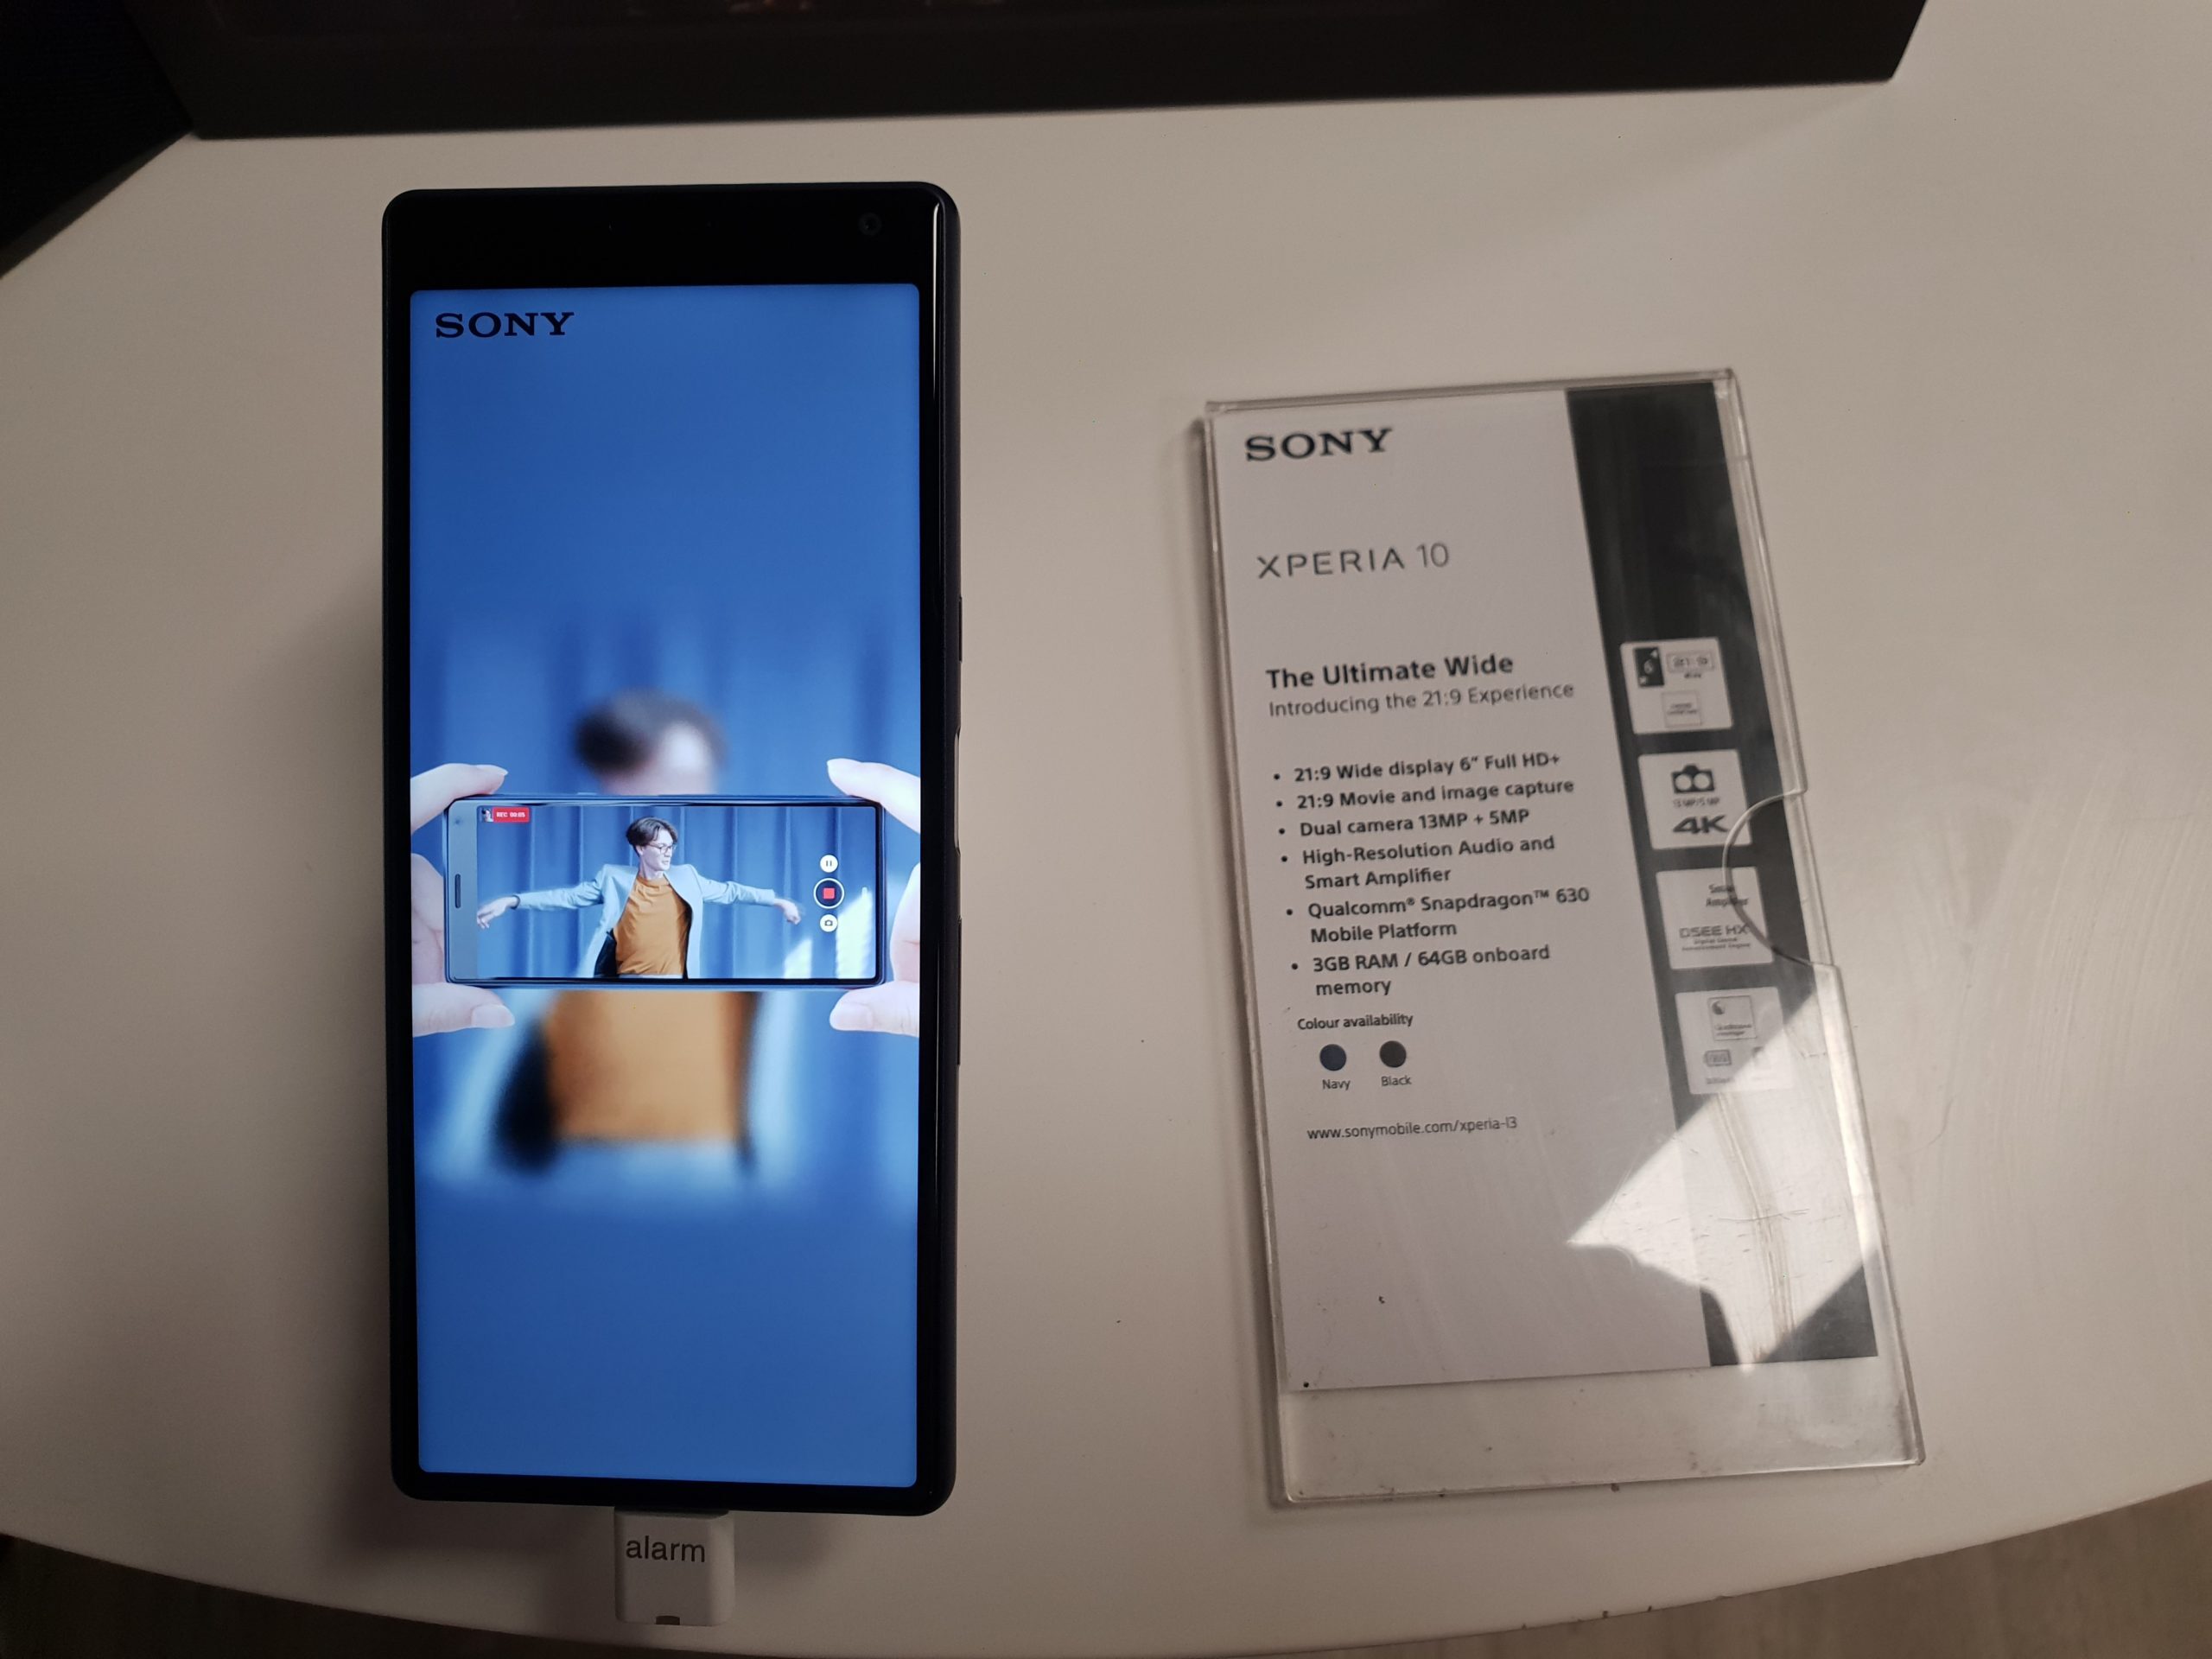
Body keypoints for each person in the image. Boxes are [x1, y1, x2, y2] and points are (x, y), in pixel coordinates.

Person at [474, 815, 801, 980]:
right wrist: (512, 901)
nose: (668, 853)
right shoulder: (613, 878)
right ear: (641, 848)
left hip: (676, 986)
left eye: (671, 847)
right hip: (625, 985)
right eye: (661, 847)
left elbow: (732, 891)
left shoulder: (688, 878)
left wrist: (777, 901)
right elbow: (567, 897)